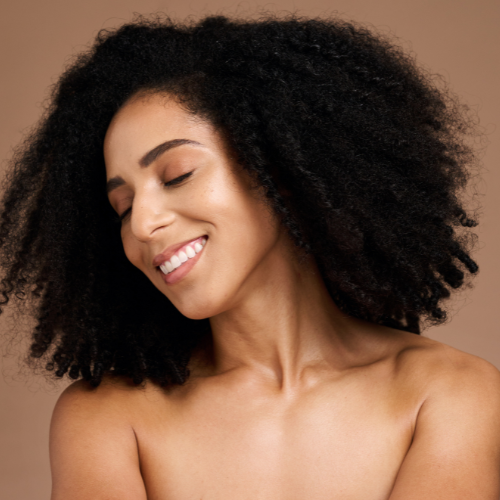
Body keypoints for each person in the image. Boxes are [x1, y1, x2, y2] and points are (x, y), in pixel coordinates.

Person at [1, 13, 499, 499]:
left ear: (279, 170)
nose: (142, 224)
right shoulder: (107, 418)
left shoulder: (450, 395)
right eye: (123, 206)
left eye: (177, 175)